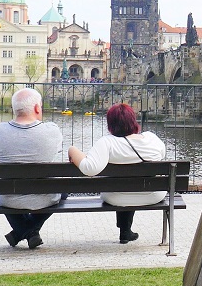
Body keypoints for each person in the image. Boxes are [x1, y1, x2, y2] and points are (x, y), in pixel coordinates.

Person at [68, 103, 166, 244]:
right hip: (153, 195)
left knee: (124, 186)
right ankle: (126, 231)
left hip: (116, 197)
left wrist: (72, 150)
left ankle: (125, 230)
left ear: (110, 124)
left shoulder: (107, 143)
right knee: (132, 183)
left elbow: (89, 169)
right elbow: (161, 154)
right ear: (133, 120)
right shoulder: (152, 139)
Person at [0, 88, 63, 249]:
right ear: (37, 108)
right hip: (45, 198)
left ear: (14, 109)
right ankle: (30, 231)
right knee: (63, 189)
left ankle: (21, 231)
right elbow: (57, 150)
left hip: (8, 199)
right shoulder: (51, 130)